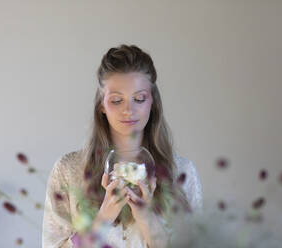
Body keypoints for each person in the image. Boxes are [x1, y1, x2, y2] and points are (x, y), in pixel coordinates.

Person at [42, 44, 203, 248]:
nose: (128, 110)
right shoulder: (68, 171)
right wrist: (103, 219)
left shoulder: (182, 172)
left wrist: (147, 218)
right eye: (117, 100)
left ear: (152, 101)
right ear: (102, 104)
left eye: (139, 99)